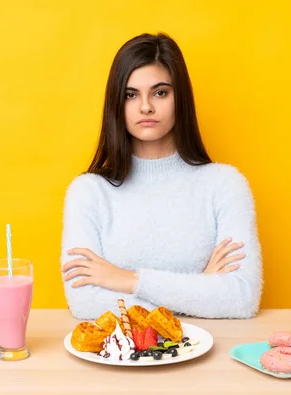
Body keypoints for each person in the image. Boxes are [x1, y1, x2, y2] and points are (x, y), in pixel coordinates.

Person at [60, 32, 263, 320]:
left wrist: (130, 280)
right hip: (119, 362)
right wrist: (201, 291)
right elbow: (84, 302)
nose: (146, 107)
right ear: (116, 104)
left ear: (180, 98)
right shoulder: (89, 191)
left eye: (160, 92)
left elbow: (241, 298)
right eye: (131, 95)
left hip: (209, 357)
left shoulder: (224, 185)